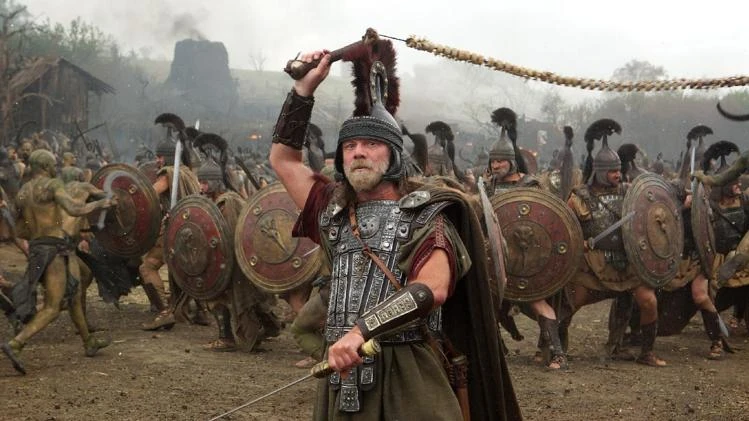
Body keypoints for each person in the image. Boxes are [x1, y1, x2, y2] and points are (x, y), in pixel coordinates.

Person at [270, 46, 520, 420]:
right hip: (344, 372)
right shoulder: (333, 210)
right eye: (350, 146)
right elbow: (283, 159)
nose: (358, 153)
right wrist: (303, 90)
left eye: (371, 144)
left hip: (410, 373)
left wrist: (361, 331)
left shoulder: (426, 215)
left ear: (394, 156)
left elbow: (431, 288)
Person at [563, 118, 666, 367]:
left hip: (628, 261)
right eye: (612, 171)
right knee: (569, 304)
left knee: (648, 301)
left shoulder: (631, 192)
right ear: (599, 171)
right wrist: (579, 242)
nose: (618, 174)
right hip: (593, 263)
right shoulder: (579, 198)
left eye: (619, 170)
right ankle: (555, 348)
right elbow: (565, 229)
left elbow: (654, 209)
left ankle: (646, 352)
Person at [1, 150, 115, 374]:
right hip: (53, 250)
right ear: (45, 166)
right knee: (53, 307)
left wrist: (36, 235)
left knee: (74, 292)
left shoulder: (23, 192)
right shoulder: (53, 185)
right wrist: (102, 203)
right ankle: (16, 343)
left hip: (40, 249)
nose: (56, 167)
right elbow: (74, 208)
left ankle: (88, 341)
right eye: (53, 164)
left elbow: (16, 226)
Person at [483, 107, 569, 370]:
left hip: (527, 259)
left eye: (500, 161)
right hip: (496, 258)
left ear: (511, 161)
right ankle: (494, 350)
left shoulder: (530, 185)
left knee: (538, 302)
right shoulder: (487, 187)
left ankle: (557, 353)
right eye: (493, 161)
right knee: (484, 302)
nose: (495, 165)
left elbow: (547, 221)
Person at [193, 133, 281, 351]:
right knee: (245, 299)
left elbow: (229, 237)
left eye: (204, 182)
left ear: (215, 182)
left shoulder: (228, 202)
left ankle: (227, 338)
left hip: (235, 263)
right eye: (200, 182)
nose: (201, 187)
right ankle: (266, 328)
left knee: (222, 296)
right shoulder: (216, 201)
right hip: (232, 263)